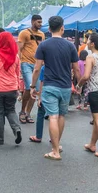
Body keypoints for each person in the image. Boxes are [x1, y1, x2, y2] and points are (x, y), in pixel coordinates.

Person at [31, 16, 80, 161]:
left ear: (49, 29)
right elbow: (76, 69)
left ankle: (55, 151)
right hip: (65, 86)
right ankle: (57, 144)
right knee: (61, 116)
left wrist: (33, 86)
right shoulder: (70, 46)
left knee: (52, 116)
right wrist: (79, 85)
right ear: (62, 28)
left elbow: (37, 68)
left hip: (50, 85)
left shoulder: (43, 45)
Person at [17, 15, 44, 125]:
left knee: (36, 90)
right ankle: (22, 111)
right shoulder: (24, 33)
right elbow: (19, 49)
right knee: (29, 87)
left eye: (41, 22)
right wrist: (18, 64)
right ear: (32, 21)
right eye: (38, 22)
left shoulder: (42, 34)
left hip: (38, 64)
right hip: (26, 63)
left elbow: (42, 49)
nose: (40, 24)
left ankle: (28, 113)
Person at [29, 66, 48, 143]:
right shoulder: (63, 64)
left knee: (41, 113)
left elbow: (42, 82)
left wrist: (40, 97)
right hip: (62, 90)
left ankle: (38, 136)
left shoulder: (45, 67)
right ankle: (55, 138)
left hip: (47, 91)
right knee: (57, 116)